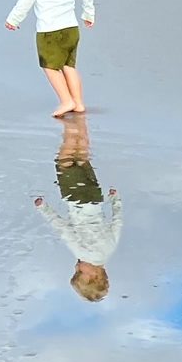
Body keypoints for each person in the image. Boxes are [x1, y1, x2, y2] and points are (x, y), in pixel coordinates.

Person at [35, 114, 122, 302]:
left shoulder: (109, 249)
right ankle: (69, 125)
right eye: (78, 273)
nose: (75, 267)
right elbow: (63, 230)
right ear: (93, 276)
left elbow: (117, 222)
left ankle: (80, 122)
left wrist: (115, 199)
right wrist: (44, 209)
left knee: (82, 156)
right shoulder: (83, 253)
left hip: (95, 198)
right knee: (64, 161)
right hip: (77, 200)